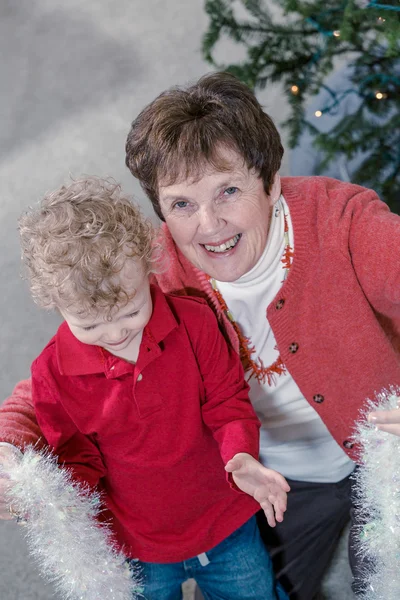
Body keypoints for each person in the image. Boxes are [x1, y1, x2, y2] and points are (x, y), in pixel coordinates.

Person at [0, 72, 400, 599]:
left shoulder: (342, 221)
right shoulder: (152, 272)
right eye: (182, 204)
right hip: (273, 478)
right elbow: (63, 374)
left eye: (229, 191)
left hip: (386, 452)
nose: (209, 225)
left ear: (271, 180)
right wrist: (9, 442)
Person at [4, 176, 290, 600]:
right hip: (138, 544)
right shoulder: (52, 372)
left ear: (148, 267)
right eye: (90, 324)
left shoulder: (195, 322)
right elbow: (75, 456)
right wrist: (55, 502)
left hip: (226, 520)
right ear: (53, 302)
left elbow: (228, 402)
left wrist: (242, 453)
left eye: (131, 310)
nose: (116, 333)